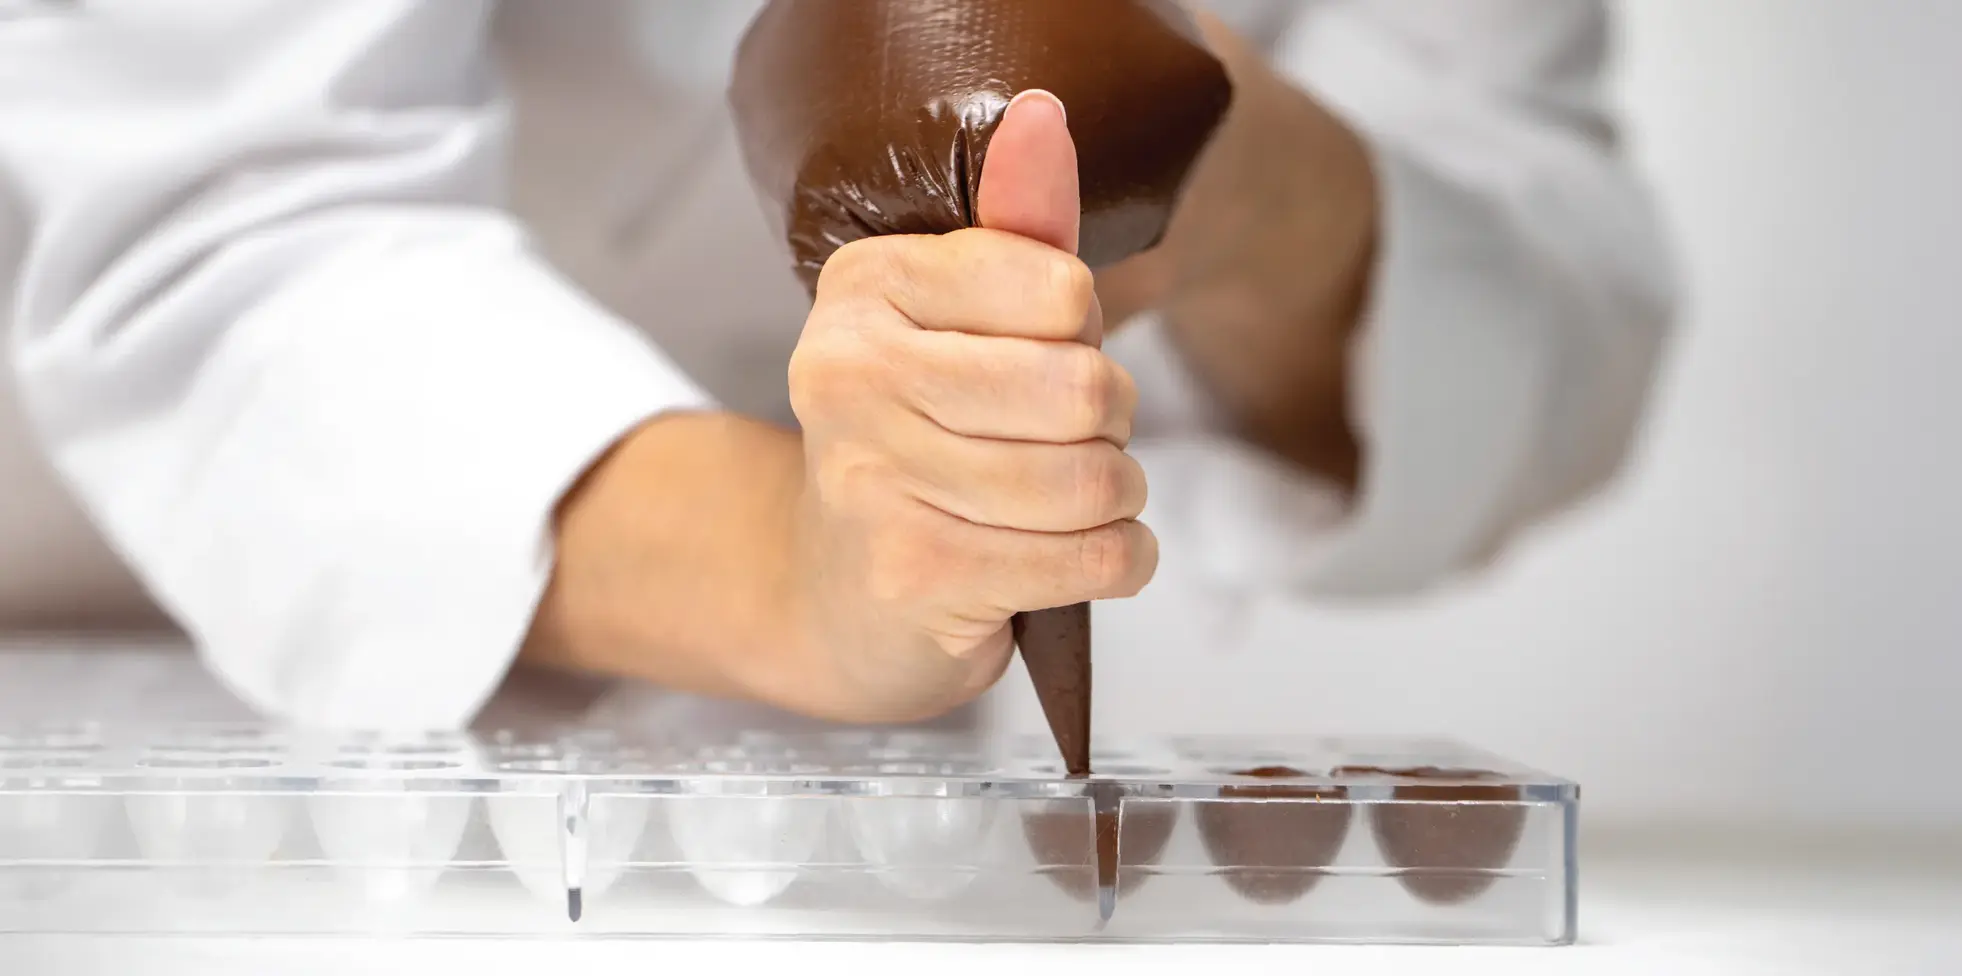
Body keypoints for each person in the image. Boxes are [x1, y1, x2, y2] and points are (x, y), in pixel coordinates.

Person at [0, 0, 1674, 732]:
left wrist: (1263, 193)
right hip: (114, 630)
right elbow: (215, 220)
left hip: (838, 734)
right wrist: (796, 568)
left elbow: (1558, 301)